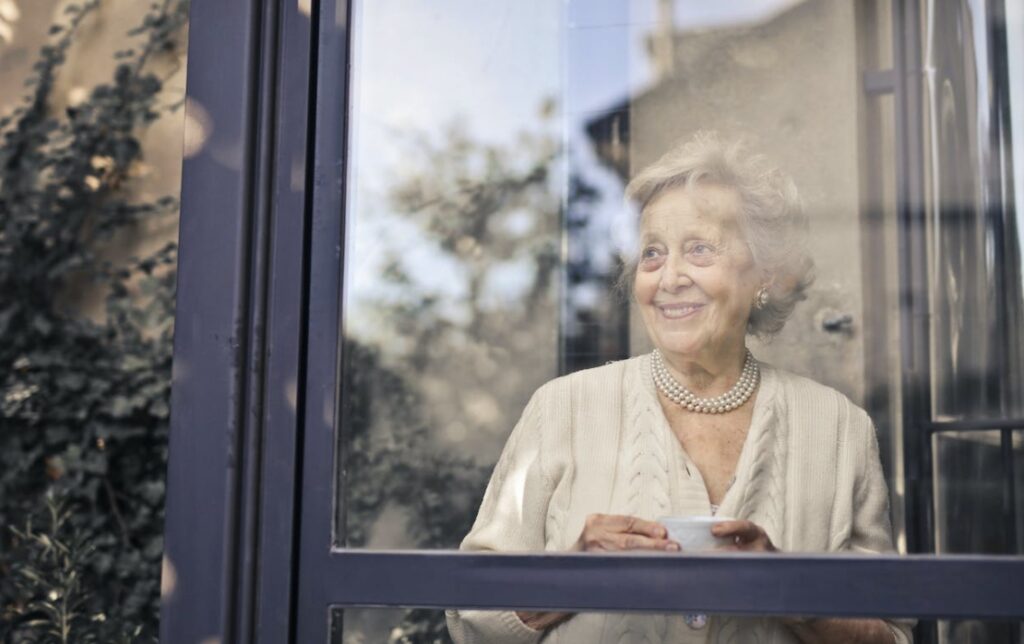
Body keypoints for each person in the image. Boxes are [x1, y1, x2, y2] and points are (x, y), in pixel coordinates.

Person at [445, 133, 912, 643]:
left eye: (699, 249)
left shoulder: (840, 429)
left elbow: (891, 633)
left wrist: (788, 590)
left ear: (766, 274)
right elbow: (473, 618)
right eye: (652, 254)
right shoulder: (563, 408)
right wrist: (570, 574)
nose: (669, 278)